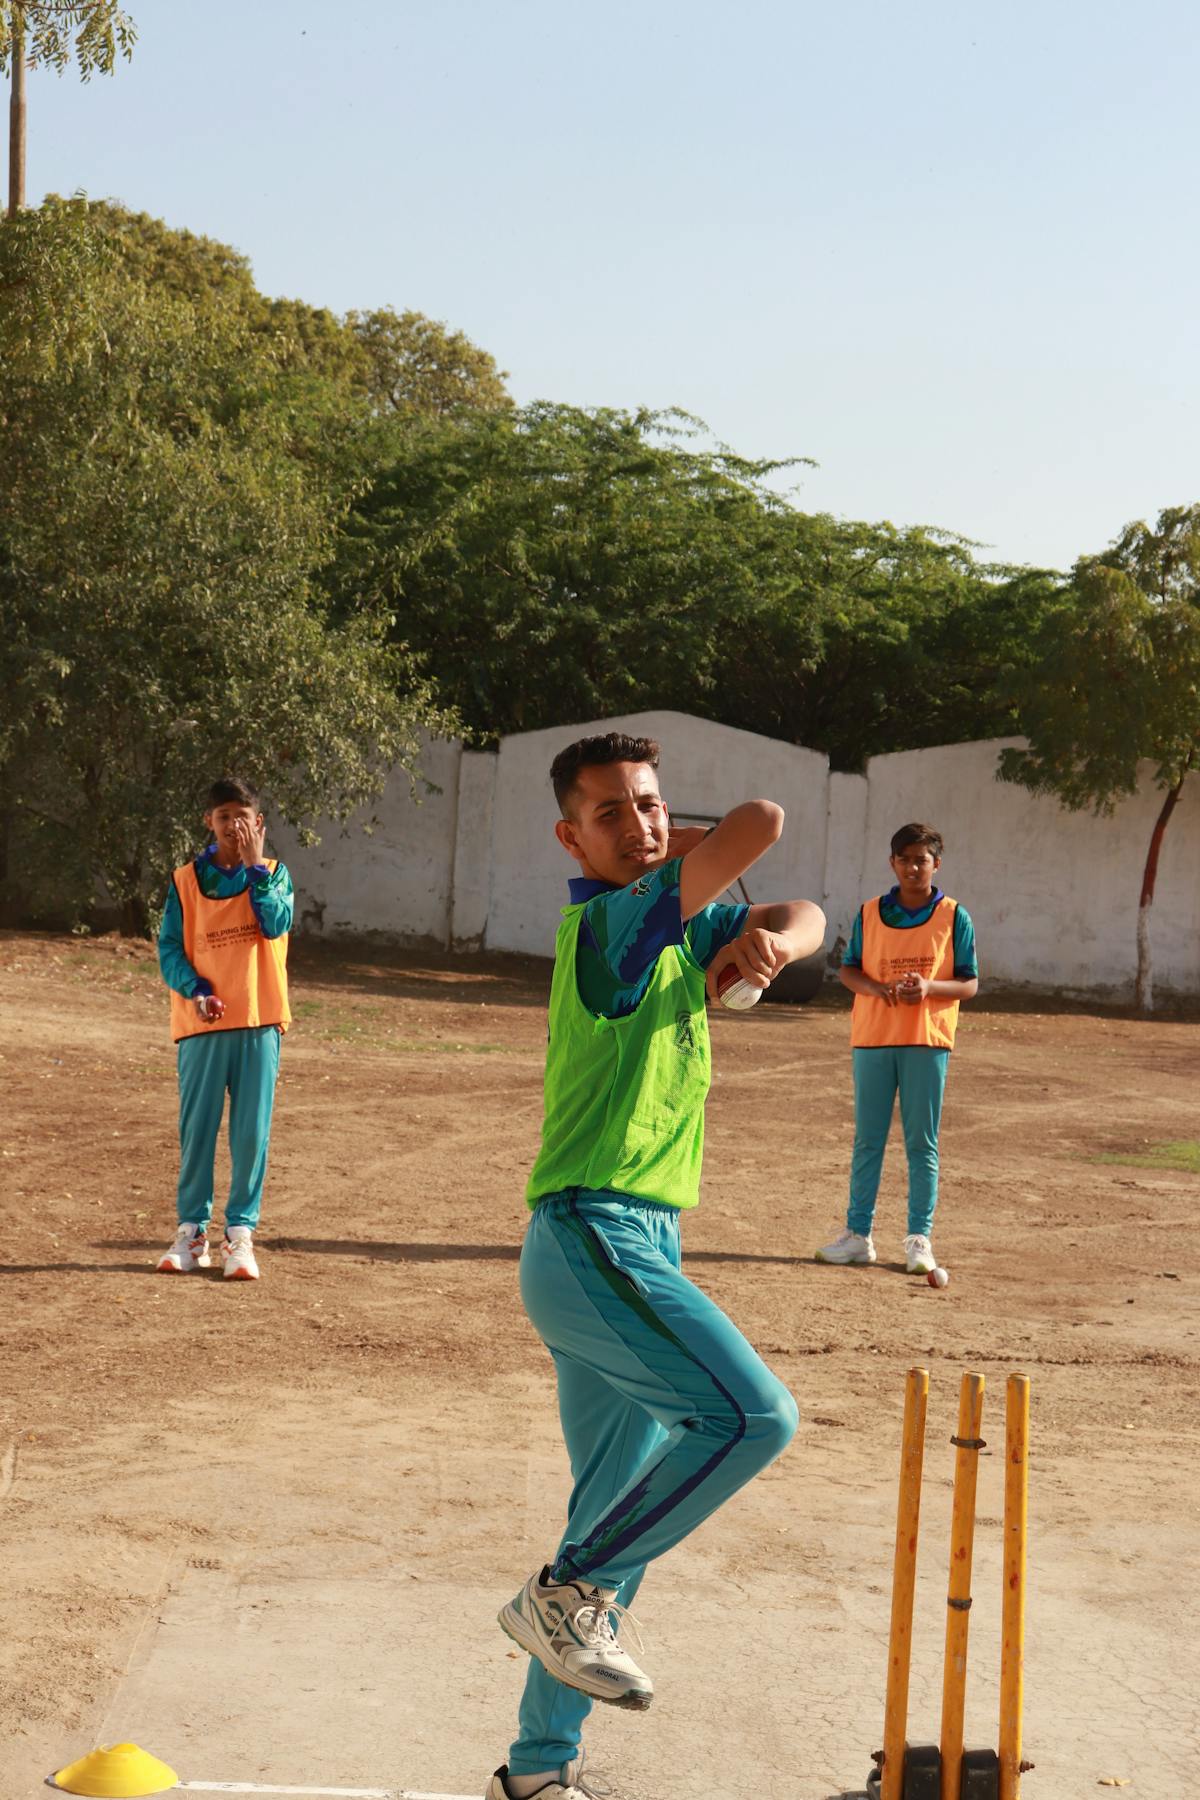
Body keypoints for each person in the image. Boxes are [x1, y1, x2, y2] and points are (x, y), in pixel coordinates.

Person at [487, 732, 826, 1800]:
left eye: (649, 804)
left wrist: (769, 942)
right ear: (571, 839)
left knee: (615, 1509)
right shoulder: (614, 922)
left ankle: (537, 1773)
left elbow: (810, 913)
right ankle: (563, 1592)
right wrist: (704, 855)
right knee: (752, 1418)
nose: (639, 824)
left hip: (625, 1242)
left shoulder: (683, 928)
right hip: (596, 1236)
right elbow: (764, 822)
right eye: (614, 812)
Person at [815, 821, 978, 1275]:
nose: (912, 867)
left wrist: (928, 988)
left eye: (921, 860)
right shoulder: (869, 912)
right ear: (892, 862)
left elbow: (969, 983)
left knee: (921, 1144)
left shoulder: (954, 916)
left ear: (936, 863)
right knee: (868, 1140)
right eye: (904, 859)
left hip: (926, 1039)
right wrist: (876, 988)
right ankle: (858, 1236)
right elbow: (849, 970)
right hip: (873, 1037)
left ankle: (918, 1240)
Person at [155, 777, 293, 1282]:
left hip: (258, 1021)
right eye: (223, 816)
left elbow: (275, 924)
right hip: (202, 1025)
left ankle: (240, 1235)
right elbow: (170, 948)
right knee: (197, 1132)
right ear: (208, 823)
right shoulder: (185, 881)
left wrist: (256, 868)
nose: (233, 825)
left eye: (242, 815)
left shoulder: (274, 875)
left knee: (250, 1134)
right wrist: (196, 988)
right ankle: (192, 1234)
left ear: (259, 822)